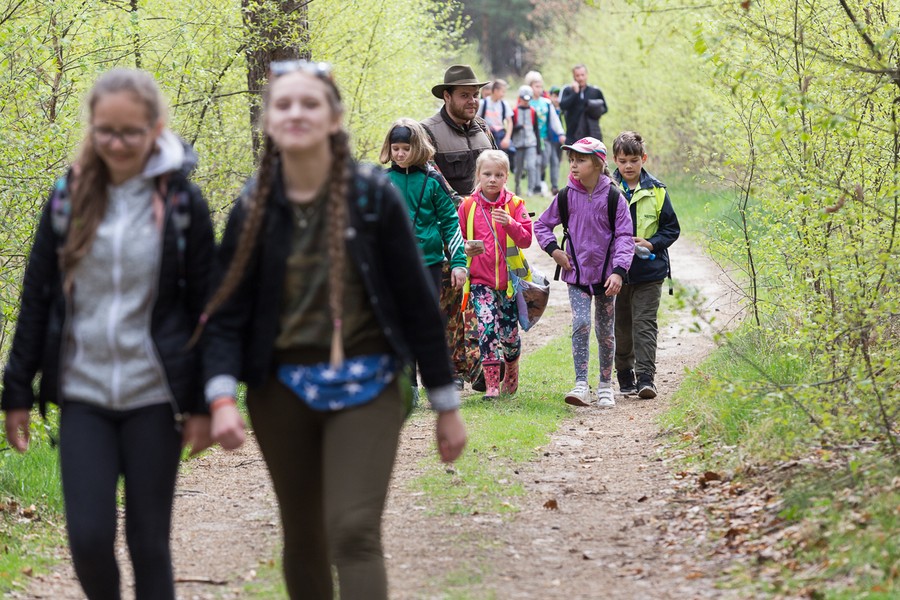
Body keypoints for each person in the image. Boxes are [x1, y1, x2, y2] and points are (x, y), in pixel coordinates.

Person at [201, 60, 467, 600]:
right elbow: (226, 310)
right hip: (281, 391)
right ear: (268, 120)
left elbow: (417, 303)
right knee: (304, 536)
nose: (296, 112)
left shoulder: (372, 196)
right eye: (283, 104)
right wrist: (221, 393)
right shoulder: (255, 204)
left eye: (310, 103)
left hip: (370, 382)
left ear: (334, 117)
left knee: (352, 530)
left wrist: (445, 401)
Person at [1, 68, 215, 600]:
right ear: (92, 129)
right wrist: (16, 390)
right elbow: (37, 301)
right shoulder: (66, 199)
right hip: (83, 395)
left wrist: (205, 402)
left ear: (156, 128)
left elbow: (205, 311)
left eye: (131, 132)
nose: (117, 144)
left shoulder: (185, 206)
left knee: (149, 543)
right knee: (90, 539)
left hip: (154, 397)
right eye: (106, 131)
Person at [533, 137, 633, 408]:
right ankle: (580, 384)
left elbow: (625, 236)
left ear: (598, 164)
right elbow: (541, 226)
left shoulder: (614, 197)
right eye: (572, 160)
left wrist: (619, 271)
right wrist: (554, 250)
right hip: (575, 276)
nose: (574, 166)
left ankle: (604, 385)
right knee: (580, 323)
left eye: (581, 160)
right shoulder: (565, 196)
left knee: (605, 331)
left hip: (606, 279)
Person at [422, 64, 496, 390]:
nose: (472, 101)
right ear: (447, 95)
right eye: (465, 95)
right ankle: (449, 374)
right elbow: (431, 182)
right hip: (445, 230)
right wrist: (465, 209)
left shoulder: (483, 129)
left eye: (476, 95)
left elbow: (496, 173)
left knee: (483, 299)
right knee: (449, 303)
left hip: (484, 228)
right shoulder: (427, 132)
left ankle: (479, 368)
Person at [611, 131, 680, 399]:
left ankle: (646, 378)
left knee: (645, 323)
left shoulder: (657, 191)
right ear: (614, 160)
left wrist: (651, 243)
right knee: (621, 326)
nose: (628, 166)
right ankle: (624, 375)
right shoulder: (608, 189)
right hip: (616, 273)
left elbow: (671, 229)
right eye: (623, 160)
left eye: (634, 160)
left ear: (644, 159)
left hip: (650, 271)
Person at [458, 150, 532, 399]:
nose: (492, 179)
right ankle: (491, 385)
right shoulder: (468, 206)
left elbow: (526, 240)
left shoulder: (515, 204)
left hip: (509, 283)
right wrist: (465, 247)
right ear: (478, 175)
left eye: (498, 175)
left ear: (506, 177)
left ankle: (511, 371)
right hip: (480, 281)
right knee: (487, 330)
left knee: (509, 336)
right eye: (487, 174)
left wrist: (510, 222)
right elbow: (458, 240)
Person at [524, 71, 566, 195]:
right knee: (534, 162)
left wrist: (561, 133)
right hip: (531, 139)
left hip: (545, 138)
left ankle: (540, 182)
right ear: (530, 87)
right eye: (536, 86)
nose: (539, 89)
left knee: (544, 162)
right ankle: (535, 186)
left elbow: (554, 120)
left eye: (541, 86)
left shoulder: (546, 103)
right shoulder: (527, 102)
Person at [559, 64, 608, 142]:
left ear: (587, 75)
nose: (580, 78)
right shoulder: (567, 90)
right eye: (577, 75)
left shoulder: (595, 91)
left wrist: (593, 110)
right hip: (572, 135)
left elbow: (605, 109)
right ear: (574, 77)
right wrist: (575, 93)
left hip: (592, 135)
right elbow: (562, 106)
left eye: (582, 75)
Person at [511, 85, 542, 197]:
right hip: (518, 144)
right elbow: (510, 129)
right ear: (520, 98)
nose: (526, 101)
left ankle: (530, 189)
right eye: (524, 99)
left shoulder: (533, 111)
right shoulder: (514, 111)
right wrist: (518, 127)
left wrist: (538, 147)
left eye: (528, 99)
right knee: (518, 168)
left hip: (531, 143)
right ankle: (517, 185)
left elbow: (536, 130)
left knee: (531, 166)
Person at [477, 79, 514, 157]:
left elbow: (510, 122)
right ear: (496, 90)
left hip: (500, 135)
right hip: (487, 134)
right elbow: (476, 119)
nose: (503, 94)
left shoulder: (504, 104)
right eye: (502, 91)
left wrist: (507, 138)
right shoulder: (483, 103)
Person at [547, 86, 565, 195]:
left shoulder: (564, 110)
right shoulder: (548, 109)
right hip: (550, 139)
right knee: (552, 161)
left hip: (561, 140)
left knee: (557, 162)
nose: (556, 99)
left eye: (558, 96)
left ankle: (555, 184)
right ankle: (553, 186)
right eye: (554, 96)